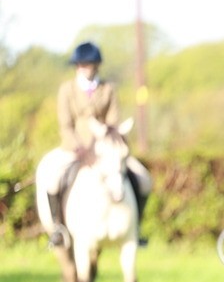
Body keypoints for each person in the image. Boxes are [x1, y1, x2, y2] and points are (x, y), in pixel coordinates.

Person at [41, 42, 152, 248]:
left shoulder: (108, 88)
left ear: (96, 66)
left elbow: (113, 122)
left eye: (88, 64)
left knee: (144, 180)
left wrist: (103, 145)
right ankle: (58, 229)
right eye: (81, 65)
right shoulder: (67, 90)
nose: (84, 68)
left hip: (105, 149)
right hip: (74, 148)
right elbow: (65, 125)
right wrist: (79, 148)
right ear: (76, 66)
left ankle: (136, 228)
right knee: (53, 179)